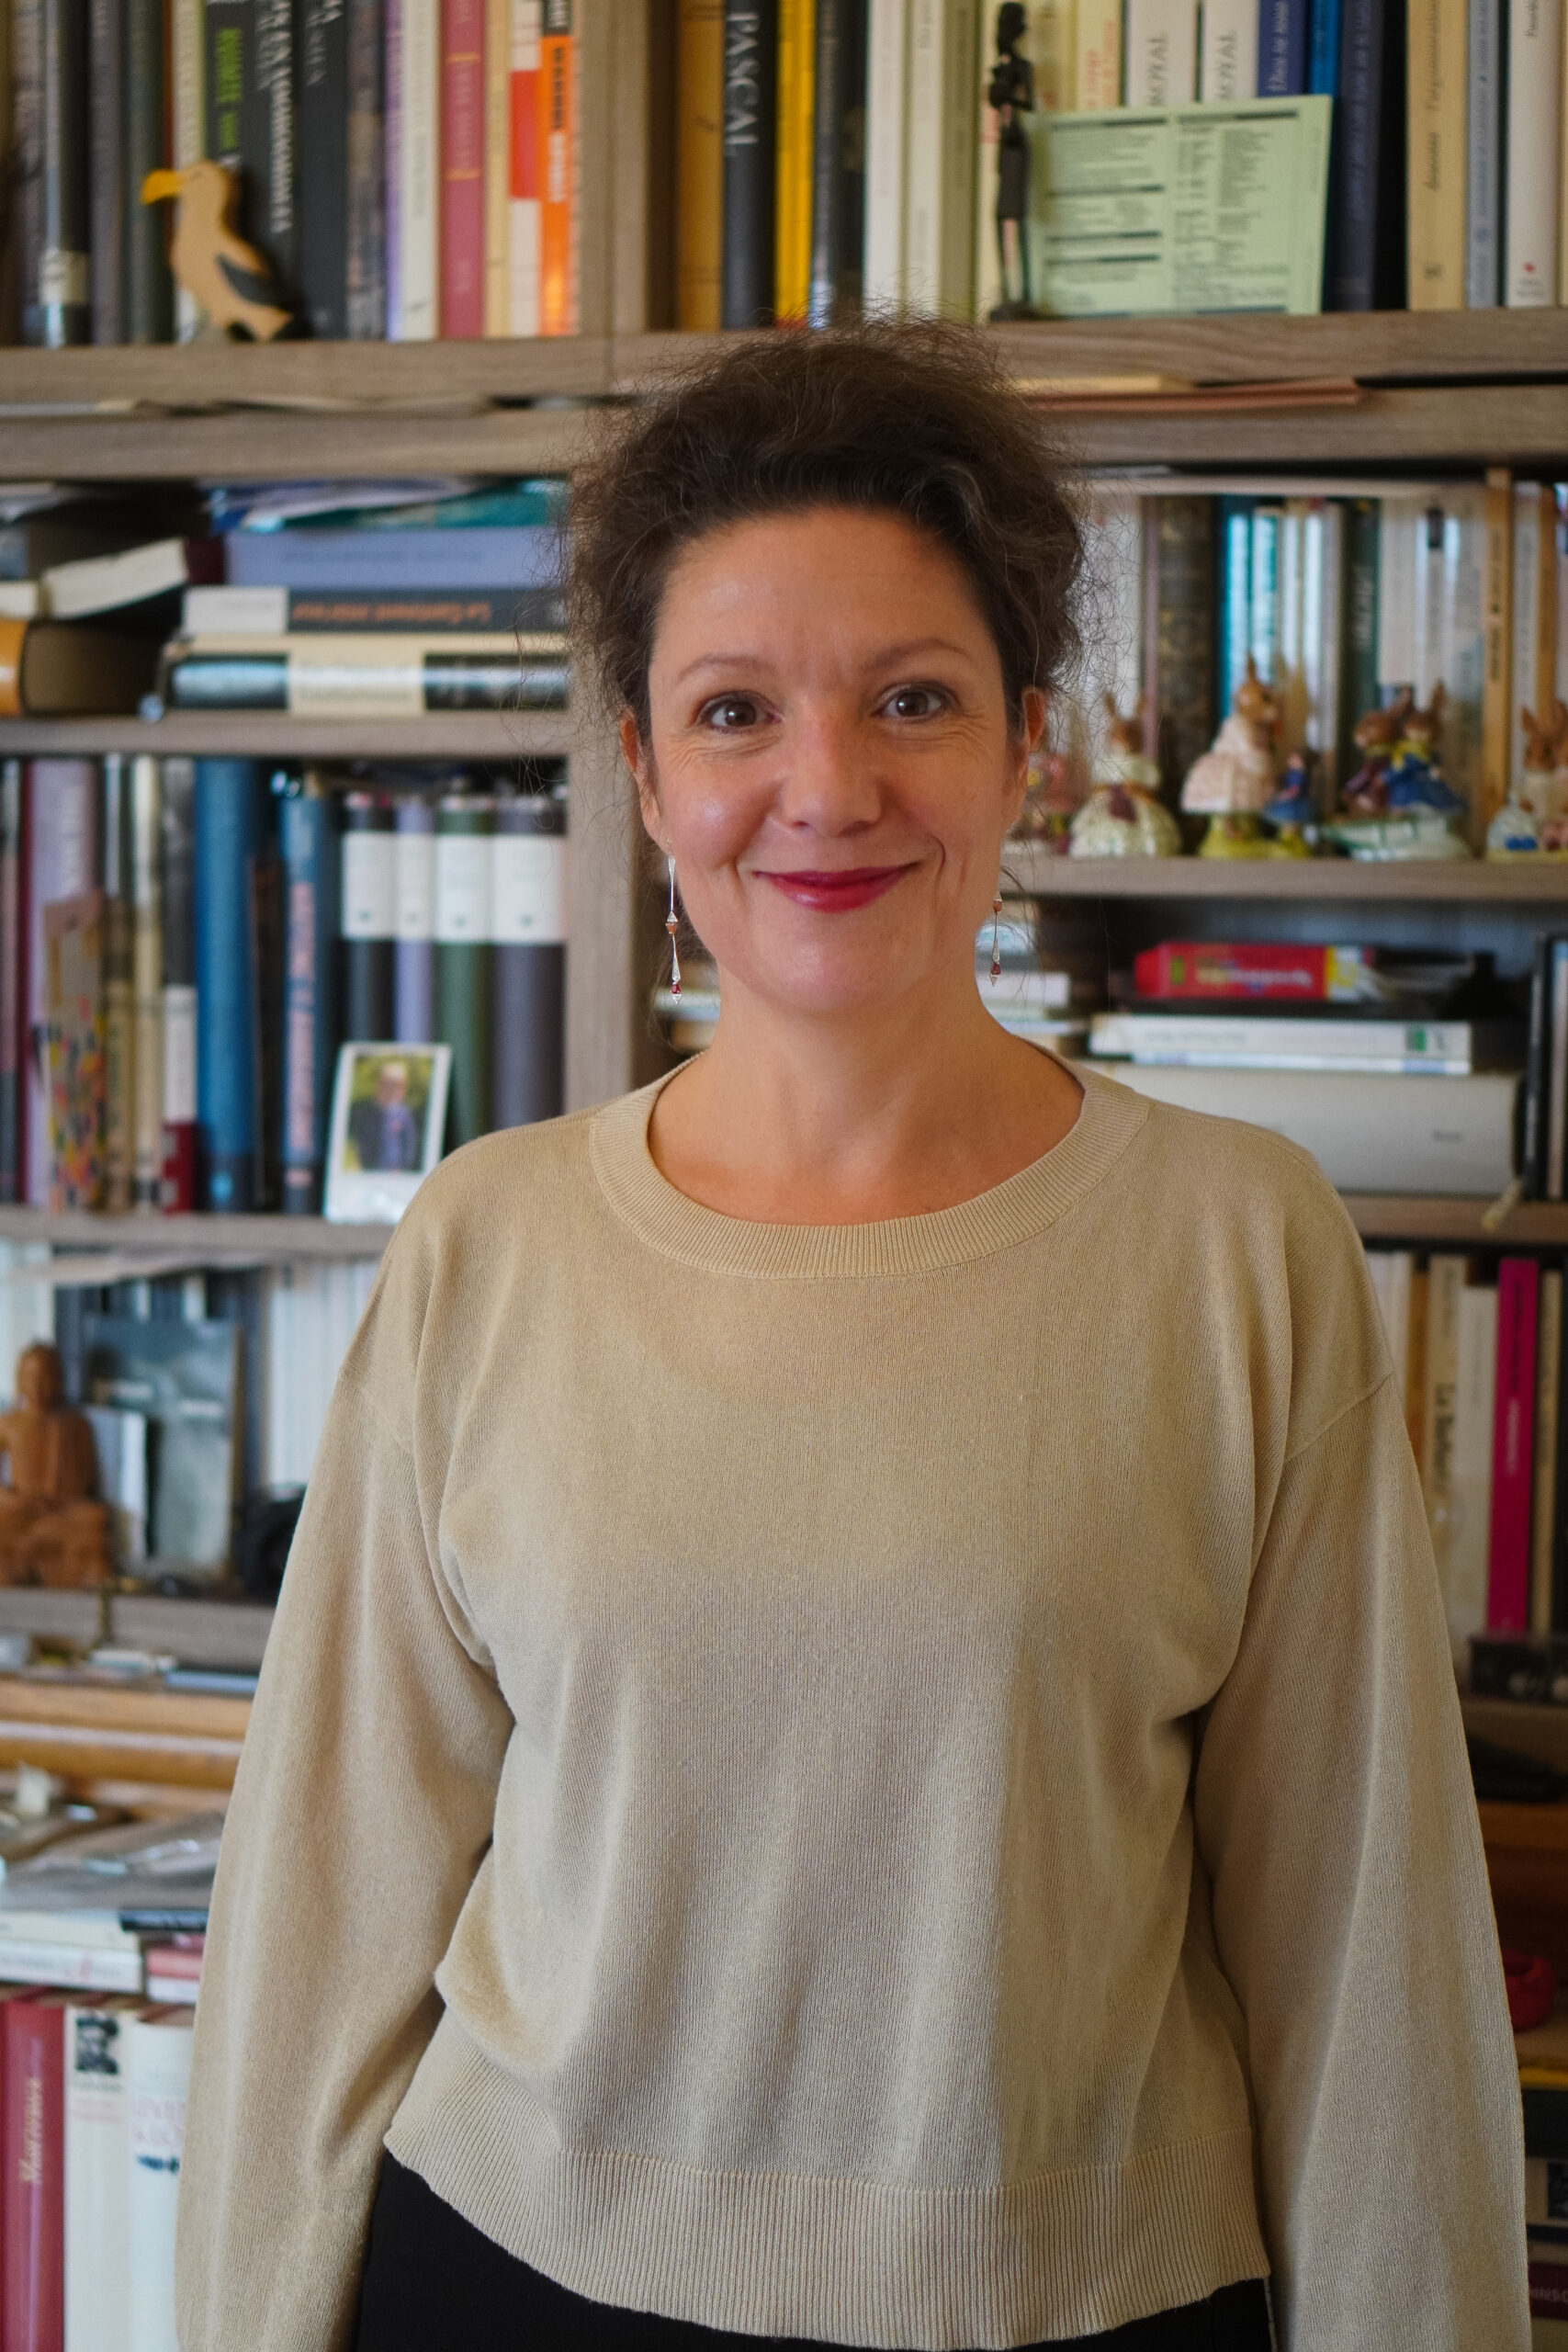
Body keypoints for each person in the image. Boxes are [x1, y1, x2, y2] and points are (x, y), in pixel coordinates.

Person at [175, 324, 1528, 2352]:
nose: (826, 790)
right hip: (516, 2282)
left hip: (1084, 2308)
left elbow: (1367, 1959)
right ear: (645, 773)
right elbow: (320, 1913)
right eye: (734, 711)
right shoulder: (486, 1244)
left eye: (912, 698)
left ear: (1026, 747)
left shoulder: (1238, 1250)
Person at [347, 1058, 423, 1173]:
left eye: (397, 1086)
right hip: (369, 1167)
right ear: (379, 1085)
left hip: (393, 1169)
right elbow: (360, 1141)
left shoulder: (404, 1115)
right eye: (387, 1085)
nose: (391, 1090)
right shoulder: (368, 1113)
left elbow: (408, 1144)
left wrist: (403, 1167)